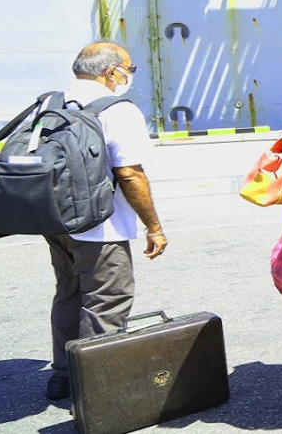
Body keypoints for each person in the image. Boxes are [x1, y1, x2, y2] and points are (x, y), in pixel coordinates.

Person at [44, 42, 168, 400]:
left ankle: (63, 377)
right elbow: (129, 173)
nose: (129, 74)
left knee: (69, 293)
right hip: (100, 224)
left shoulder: (52, 101)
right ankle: (97, 392)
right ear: (110, 71)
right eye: (129, 68)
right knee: (107, 299)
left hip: (55, 220)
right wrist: (154, 227)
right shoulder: (118, 109)